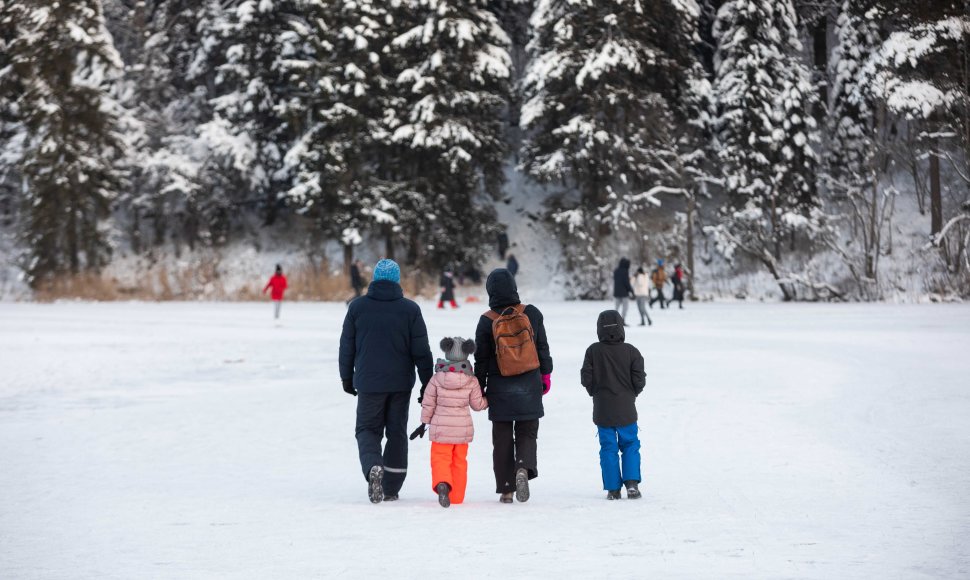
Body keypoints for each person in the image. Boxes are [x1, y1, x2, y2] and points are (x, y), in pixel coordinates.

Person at [339, 259, 434, 503]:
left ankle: (373, 467)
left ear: (374, 279)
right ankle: (391, 487)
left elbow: (347, 347)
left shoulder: (357, 308)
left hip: (369, 383)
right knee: (396, 433)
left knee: (367, 429)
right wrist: (427, 383)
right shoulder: (410, 309)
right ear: (397, 280)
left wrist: (346, 378)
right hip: (401, 384)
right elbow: (421, 351)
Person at [474, 268, 552, 504]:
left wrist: (480, 385)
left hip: (500, 387)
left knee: (502, 438)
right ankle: (523, 468)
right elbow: (542, 348)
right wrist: (545, 376)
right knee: (527, 432)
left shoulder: (487, 320)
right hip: (529, 383)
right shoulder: (532, 313)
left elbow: (482, 360)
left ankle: (507, 489)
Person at [409, 337, 488, 508]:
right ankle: (457, 497)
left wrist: (424, 423)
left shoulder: (436, 378)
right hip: (462, 431)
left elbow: (428, 403)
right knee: (459, 462)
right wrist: (487, 400)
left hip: (440, 430)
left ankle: (442, 483)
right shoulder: (472, 380)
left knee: (440, 459)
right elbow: (477, 405)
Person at [580, 310, 646, 500]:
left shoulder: (593, 351)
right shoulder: (632, 351)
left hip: (603, 409)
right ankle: (632, 483)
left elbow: (586, 378)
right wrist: (632, 394)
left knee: (608, 447)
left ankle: (613, 489)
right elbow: (639, 379)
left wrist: (595, 392)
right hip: (626, 408)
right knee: (631, 444)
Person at [612, 258, 635, 324]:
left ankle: (614, 320)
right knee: (625, 307)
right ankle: (622, 320)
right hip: (624, 293)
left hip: (616, 292)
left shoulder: (616, 271)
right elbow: (626, 282)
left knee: (617, 307)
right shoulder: (625, 271)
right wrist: (631, 290)